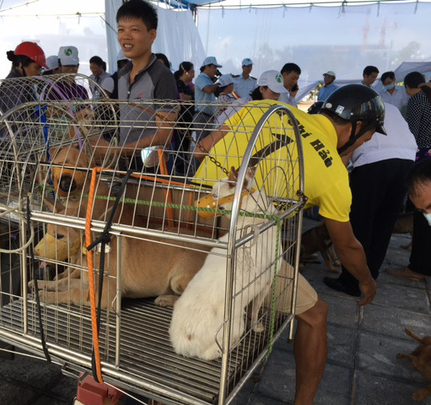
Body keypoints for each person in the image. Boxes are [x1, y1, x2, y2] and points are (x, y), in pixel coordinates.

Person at [193, 84, 385, 404]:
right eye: (367, 138)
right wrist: (366, 281)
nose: (363, 144)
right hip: (234, 243)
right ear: (356, 128)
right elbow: (348, 247)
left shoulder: (260, 109)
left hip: (184, 218)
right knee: (315, 314)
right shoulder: (334, 173)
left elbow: (203, 147)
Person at [324, 103, 417, 296]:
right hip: (407, 161)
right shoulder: (391, 107)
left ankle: (351, 281)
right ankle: (370, 275)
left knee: (360, 223)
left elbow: (346, 149)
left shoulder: (357, 108)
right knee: (385, 223)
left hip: (374, 163)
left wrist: (332, 185)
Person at [91, 0, 178, 170]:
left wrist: (117, 150)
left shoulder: (162, 76)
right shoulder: (122, 76)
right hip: (125, 164)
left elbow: (164, 136)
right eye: (121, 29)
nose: (126, 36)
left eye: (135, 30)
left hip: (153, 166)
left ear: (152, 35)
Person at [386, 72, 431, 281]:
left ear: (408, 87)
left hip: (422, 157)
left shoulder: (417, 99)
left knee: (420, 211)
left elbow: (411, 131)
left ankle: (418, 267)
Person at [0, 41, 47, 113]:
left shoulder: (24, 82)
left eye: (40, 69)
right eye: (36, 68)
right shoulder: (14, 85)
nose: (39, 73)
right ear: (21, 65)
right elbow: (18, 120)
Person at [194, 56, 222, 142]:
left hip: (208, 116)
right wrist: (220, 82)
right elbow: (208, 90)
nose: (215, 70)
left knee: (207, 143)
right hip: (202, 115)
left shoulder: (209, 80)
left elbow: (216, 93)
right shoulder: (201, 78)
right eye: (214, 67)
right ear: (207, 67)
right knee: (202, 144)